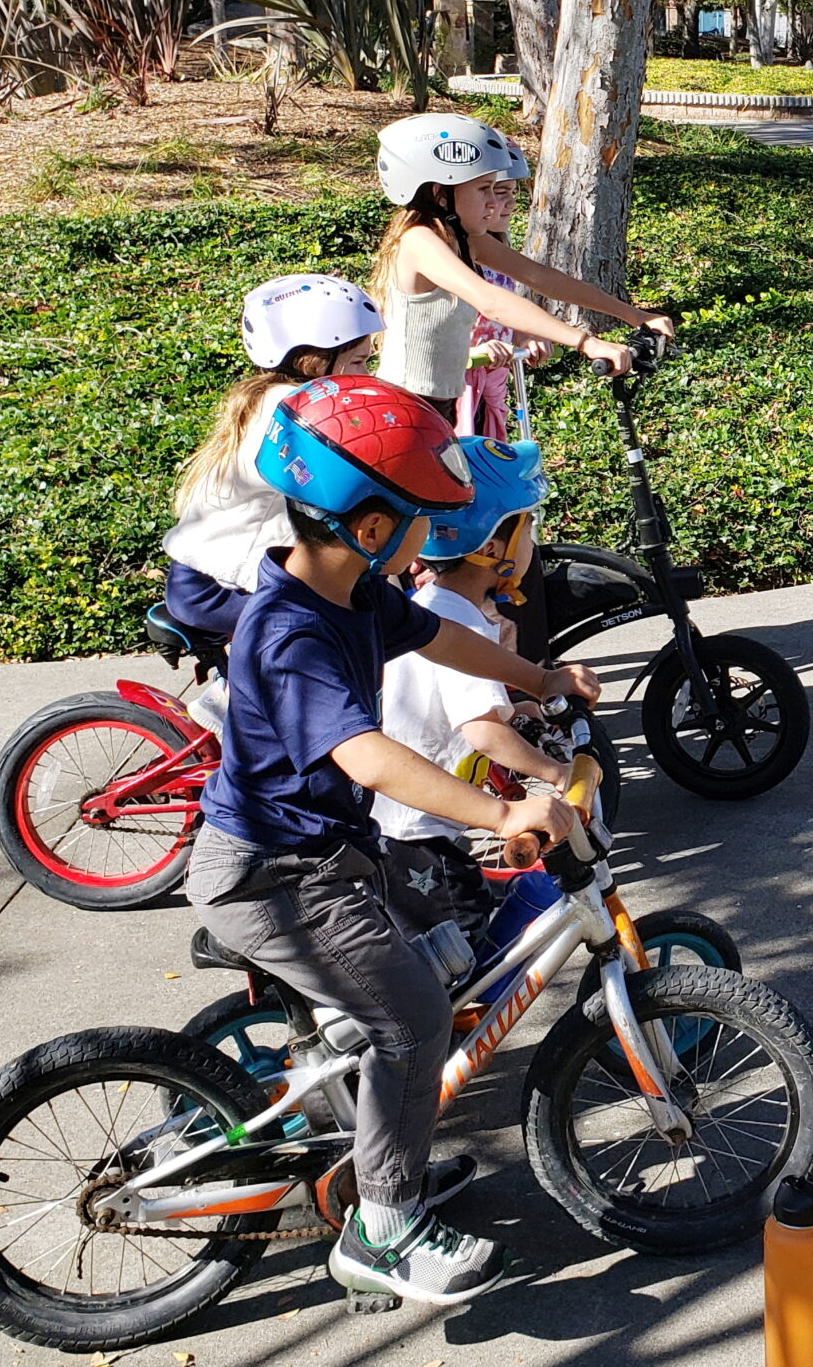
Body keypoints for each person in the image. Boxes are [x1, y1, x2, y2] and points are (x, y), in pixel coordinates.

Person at [183, 374, 596, 1307]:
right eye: (422, 519)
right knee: (408, 1019)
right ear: (372, 528)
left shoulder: (357, 593)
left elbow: (445, 644)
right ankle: (384, 1227)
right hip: (271, 876)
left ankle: (386, 1154)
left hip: (325, 858)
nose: (432, 541)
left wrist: (540, 675)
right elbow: (366, 755)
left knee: (432, 969)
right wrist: (500, 812)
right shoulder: (290, 631)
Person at [374, 434, 572, 942]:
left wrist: (520, 705)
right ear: (491, 547)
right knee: (460, 957)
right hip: (418, 835)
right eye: (529, 529)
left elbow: (456, 706)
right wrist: (557, 772)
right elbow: (480, 731)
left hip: (420, 827)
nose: (534, 545)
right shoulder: (457, 619)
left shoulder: (436, 603)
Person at [371, 113, 676, 413]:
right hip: (405, 406)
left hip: (439, 407)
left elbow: (542, 277)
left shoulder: (466, 240)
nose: (494, 202)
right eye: (483, 189)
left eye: (495, 188)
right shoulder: (419, 241)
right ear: (440, 194)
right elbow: (492, 302)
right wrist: (586, 342)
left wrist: (635, 315)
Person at [163, 275, 379, 645]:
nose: (367, 374)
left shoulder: (277, 397)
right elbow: (339, 479)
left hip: (210, 573)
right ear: (315, 361)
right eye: (359, 361)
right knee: (340, 630)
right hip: (219, 585)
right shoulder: (294, 411)